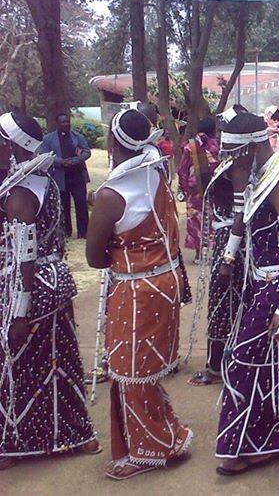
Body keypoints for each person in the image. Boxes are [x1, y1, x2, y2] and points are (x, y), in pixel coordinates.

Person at [86, 109, 193, 480]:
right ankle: (166, 435)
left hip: (136, 290)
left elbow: (93, 257)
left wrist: (120, 252)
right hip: (164, 283)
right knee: (142, 370)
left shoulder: (112, 194)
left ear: (113, 143)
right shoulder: (157, 174)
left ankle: (152, 448)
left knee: (130, 370)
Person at [214, 110, 279, 475]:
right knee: (278, 364)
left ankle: (250, 445)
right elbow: (243, 215)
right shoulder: (256, 176)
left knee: (245, 361)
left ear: (248, 148)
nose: (227, 161)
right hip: (262, 281)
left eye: (231, 154)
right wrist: (229, 255)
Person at [0, 111, 100, 471]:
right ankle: (74, 434)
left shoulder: (21, 194)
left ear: (12, 146)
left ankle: (16, 442)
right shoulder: (40, 180)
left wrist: (19, 311)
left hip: (30, 290)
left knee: (19, 364)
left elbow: (25, 256)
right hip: (52, 284)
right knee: (57, 362)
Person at [186, 150, 243, 387]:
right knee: (229, 302)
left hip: (230, 241)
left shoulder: (239, 169)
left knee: (222, 303)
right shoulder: (233, 164)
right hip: (228, 238)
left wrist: (228, 257)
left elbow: (240, 211)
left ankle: (218, 366)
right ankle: (228, 361)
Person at [39, 113, 91, 239]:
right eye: (63, 122)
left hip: (77, 176)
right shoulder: (48, 139)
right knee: (63, 206)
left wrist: (75, 160)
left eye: (67, 122)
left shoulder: (77, 137)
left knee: (81, 205)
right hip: (60, 177)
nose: (66, 124)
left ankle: (84, 233)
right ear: (58, 123)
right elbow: (44, 154)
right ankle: (66, 232)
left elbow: (87, 152)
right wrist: (60, 162)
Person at [178, 117, 220, 263]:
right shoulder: (217, 145)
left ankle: (198, 255)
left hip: (194, 191)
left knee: (195, 222)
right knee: (212, 219)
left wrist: (185, 189)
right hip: (213, 189)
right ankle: (213, 254)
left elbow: (182, 170)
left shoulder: (190, 146)